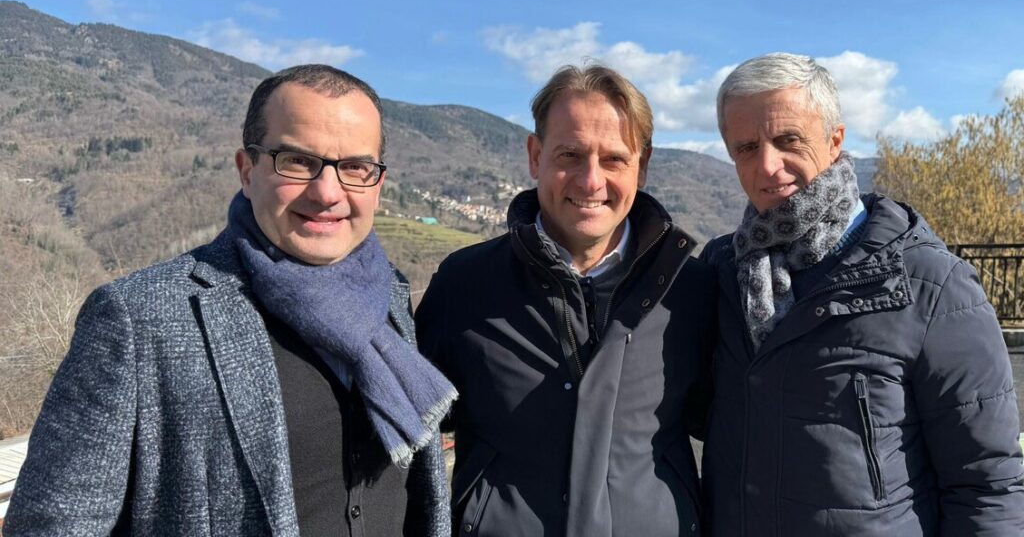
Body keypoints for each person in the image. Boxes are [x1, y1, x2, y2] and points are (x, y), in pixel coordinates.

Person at [5, 64, 456, 536]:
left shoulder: (391, 294)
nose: (328, 192)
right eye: (297, 161)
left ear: (378, 184)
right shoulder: (138, 318)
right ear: (247, 170)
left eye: (355, 168)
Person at [700, 52, 1024, 536]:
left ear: (835, 141)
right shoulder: (722, 272)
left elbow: (987, 485)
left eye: (788, 140)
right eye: (746, 147)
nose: (767, 166)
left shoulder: (930, 284)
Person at [416, 64, 716, 537]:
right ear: (535, 156)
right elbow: (413, 434)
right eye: (570, 155)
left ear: (642, 166)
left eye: (614, 159)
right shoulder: (464, 284)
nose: (590, 181)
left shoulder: (690, 291)